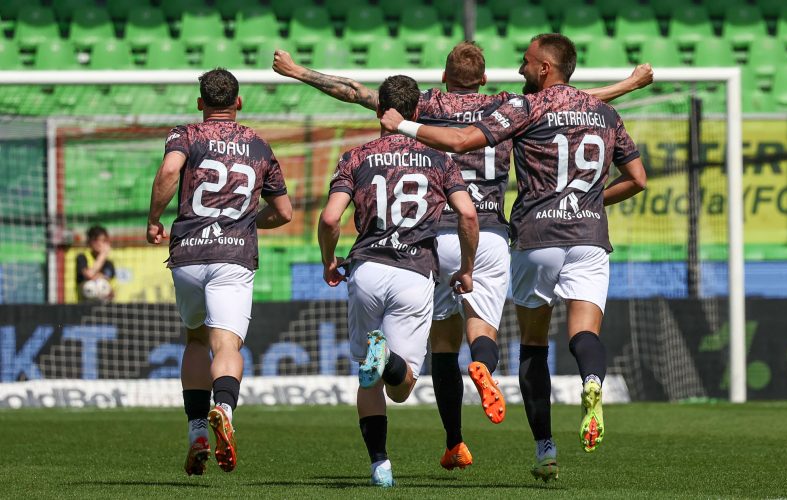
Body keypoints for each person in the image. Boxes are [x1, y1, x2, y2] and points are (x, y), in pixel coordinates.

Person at [274, 44, 652, 470]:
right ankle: (486, 367)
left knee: (442, 343)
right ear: (485, 79)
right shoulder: (508, 103)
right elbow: (566, 102)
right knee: (483, 330)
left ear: (443, 75)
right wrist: (630, 84)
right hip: (485, 231)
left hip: (433, 235)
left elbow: (353, 90)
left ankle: (455, 441)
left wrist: (297, 71)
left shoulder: (426, 104)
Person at [380, 34, 648, 482]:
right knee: (584, 333)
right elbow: (637, 179)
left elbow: (464, 139)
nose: (520, 68)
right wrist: (589, 202)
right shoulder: (602, 112)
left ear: (544, 68)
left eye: (526, 61)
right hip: (584, 234)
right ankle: (592, 382)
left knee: (529, 346)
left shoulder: (525, 108)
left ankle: (541, 447)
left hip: (529, 235)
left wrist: (402, 124)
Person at [317, 74, 479, 487]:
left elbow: (331, 218)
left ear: (379, 110)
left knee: (366, 377)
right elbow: (468, 215)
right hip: (414, 272)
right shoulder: (441, 160)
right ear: (417, 112)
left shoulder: (356, 156)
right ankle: (387, 358)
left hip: (367, 268)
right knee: (401, 386)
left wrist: (327, 262)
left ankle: (380, 465)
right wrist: (466, 268)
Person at [146, 68, 292, 476]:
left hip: (188, 254)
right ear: (238, 103)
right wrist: (246, 221)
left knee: (194, 340)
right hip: (233, 256)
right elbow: (284, 213)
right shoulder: (259, 145)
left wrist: (154, 218)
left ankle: (196, 431)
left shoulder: (185, 135)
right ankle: (224, 409)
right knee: (225, 345)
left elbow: (171, 171)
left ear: (200, 103)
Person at [76, 225, 115, 302]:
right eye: (96, 240)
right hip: (84, 304)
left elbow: (111, 289)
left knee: (101, 284)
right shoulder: (82, 257)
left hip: (105, 304)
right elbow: (89, 274)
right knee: (90, 285)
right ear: (89, 242)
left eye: (103, 240)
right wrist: (103, 255)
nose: (99, 243)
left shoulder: (109, 263)